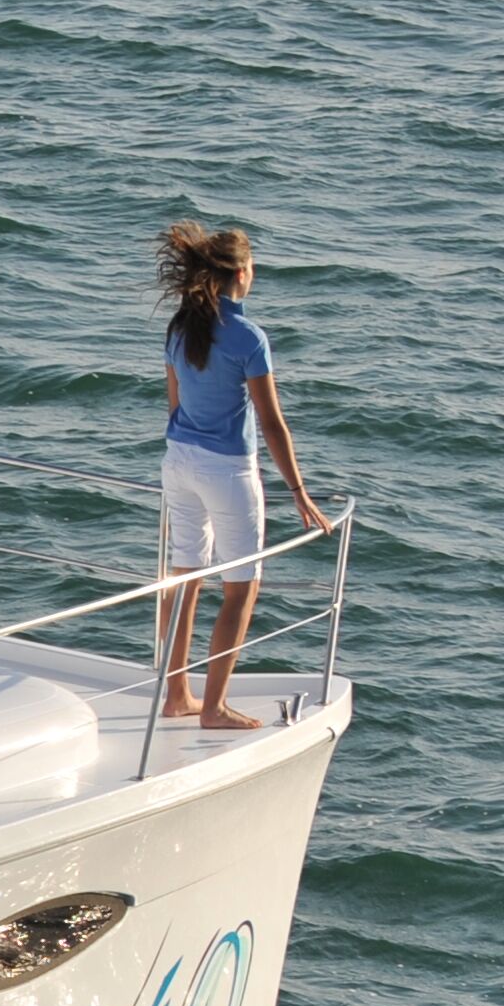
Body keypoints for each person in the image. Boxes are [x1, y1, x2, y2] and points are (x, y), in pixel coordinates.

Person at [151, 220, 329, 732]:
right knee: (240, 588)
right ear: (242, 273)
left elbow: (175, 404)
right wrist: (299, 491)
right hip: (227, 470)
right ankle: (214, 707)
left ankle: (178, 696)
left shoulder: (181, 327)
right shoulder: (249, 337)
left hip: (178, 460)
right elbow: (271, 422)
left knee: (184, 578)